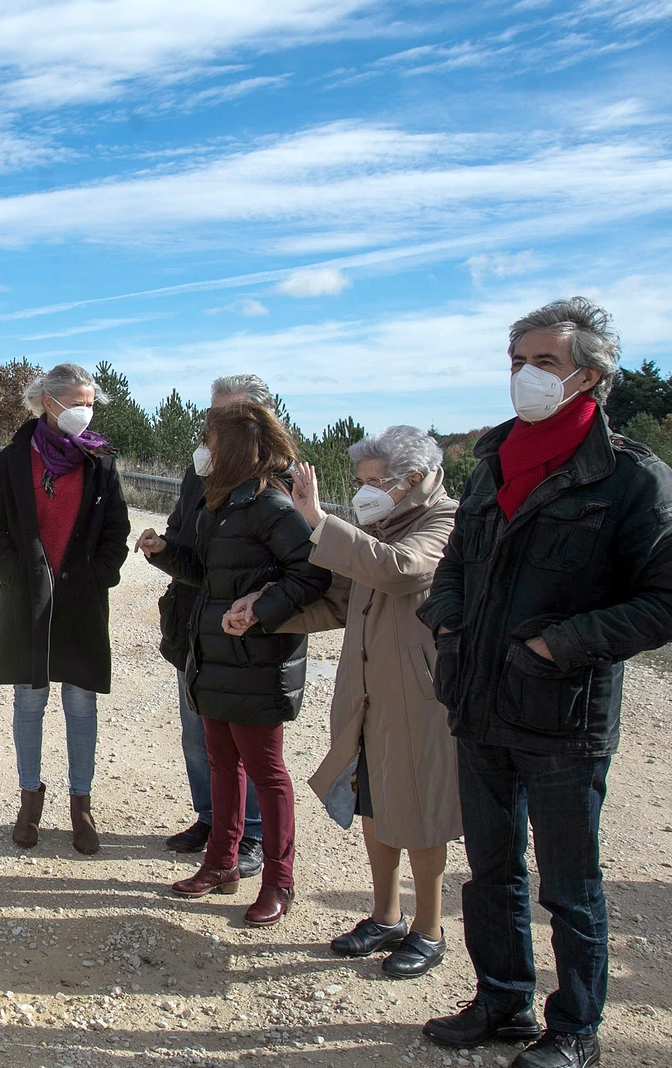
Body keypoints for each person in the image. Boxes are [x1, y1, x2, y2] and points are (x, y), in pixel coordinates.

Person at [418, 299, 672, 1068]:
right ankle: (502, 1000)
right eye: (516, 361)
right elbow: (454, 564)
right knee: (490, 870)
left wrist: (560, 643)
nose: (524, 375)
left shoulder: (630, 476)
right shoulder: (492, 461)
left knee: (569, 886)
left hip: (562, 714)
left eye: (542, 362)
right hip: (478, 701)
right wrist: (446, 621)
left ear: (590, 374)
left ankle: (576, 1028)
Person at [271, 426, 460, 978]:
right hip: (370, 693)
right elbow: (340, 603)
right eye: (360, 482)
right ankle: (386, 915)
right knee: (374, 803)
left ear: (415, 481)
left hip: (419, 699)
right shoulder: (380, 526)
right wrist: (261, 618)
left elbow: (398, 570)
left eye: (374, 482)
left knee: (420, 813)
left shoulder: (444, 522)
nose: (363, 493)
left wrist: (319, 521)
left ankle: (430, 928)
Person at [144, 401, 329, 926]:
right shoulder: (218, 503)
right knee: (224, 764)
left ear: (236, 449)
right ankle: (221, 863)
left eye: (210, 438)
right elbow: (206, 574)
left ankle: (279, 881)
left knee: (268, 774)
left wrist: (260, 610)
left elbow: (313, 574)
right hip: (213, 657)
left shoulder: (272, 506)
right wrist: (162, 553)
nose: (203, 448)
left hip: (258, 662)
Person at [0, 363, 132, 855]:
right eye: (78, 402)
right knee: (29, 699)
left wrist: (100, 574)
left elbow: (116, 530)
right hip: (28, 599)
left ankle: (80, 805)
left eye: (90, 403)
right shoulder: (12, 460)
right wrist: (13, 573)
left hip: (83, 599)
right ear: (50, 403)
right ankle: (29, 800)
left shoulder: (100, 460)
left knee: (82, 702)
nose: (85, 412)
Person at [148, 374, 270, 877]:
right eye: (210, 416)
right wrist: (163, 550)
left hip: (248, 634)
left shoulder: (275, 478)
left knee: (249, 742)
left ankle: (253, 834)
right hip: (194, 623)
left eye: (228, 417)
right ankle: (214, 819)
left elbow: (296, 567)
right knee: (198, 734)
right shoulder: (199, 472)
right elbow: (186, 541)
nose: (213, 427)